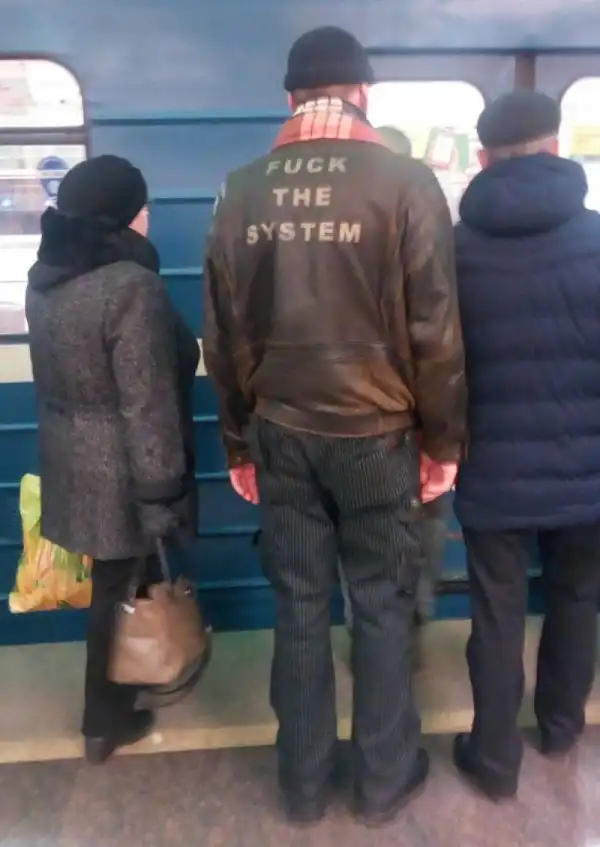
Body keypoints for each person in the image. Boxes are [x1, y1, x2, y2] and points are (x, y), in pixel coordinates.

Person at [204, 26, 466, 825]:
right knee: (381, 609)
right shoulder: (406, 183)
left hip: (281, 430)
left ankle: (303, 784)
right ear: (363, 94)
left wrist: (239, 443)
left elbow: (222, 333)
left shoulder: (239, 189)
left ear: (290, 98)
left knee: (300, 608)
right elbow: (436, 332)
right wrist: (443, 443)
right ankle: (384, 783)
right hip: (379, 435)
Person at [26, 155, 199, 764]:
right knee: (117, 590)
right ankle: (103, 718)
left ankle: (124, 689)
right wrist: (160, 492)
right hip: (124, 466)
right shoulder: (131, 286)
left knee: (117, 583)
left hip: (74, 459)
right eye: (141, 206)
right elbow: (146, 401)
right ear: (121, 215)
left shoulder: (46, 276)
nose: (148, 215)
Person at [452, 91, 600, 801]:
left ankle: (494, 761)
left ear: (482, 159)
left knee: (496, 612)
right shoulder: (598, 238)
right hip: (589, 469)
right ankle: (562, 728)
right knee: (577, 597)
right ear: (557, 146)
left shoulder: (453, 249)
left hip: (492, 468)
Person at [337, 124, 452, 666]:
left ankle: (371, 641)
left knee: (359, 542)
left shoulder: (334, 247)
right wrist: (444, 438)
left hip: (355, 424)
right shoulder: (432, 238)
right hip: (411, 425)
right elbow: (440, 345)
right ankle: (409, 636)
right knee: (422, 534)